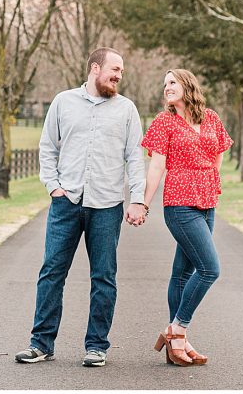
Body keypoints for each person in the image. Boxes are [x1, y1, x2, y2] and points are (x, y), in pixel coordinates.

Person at [15, 47, 147, 368]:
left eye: (121, 72)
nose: (118, 75)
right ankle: (41, 344)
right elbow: (47, 147)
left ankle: (96, 346)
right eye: (114, 69)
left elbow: (134, 158)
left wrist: (138, 199)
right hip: (66, 203)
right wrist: (53, 186)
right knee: (52, 273)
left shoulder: (126, 109)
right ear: (94, 68)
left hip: (107, 206)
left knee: (103, 277)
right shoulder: (63, 102)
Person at [139, 69, 232, 367]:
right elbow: (156, 167)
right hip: (180, 204)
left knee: (182, 272)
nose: (166, 87)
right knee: (209, 269)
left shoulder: (211, 117)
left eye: (172, 82)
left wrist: (205, 175)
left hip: (207, 201)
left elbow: (218, 154)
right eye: (164, 83)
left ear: (187, 85)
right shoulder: (164, 122)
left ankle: (175, 345)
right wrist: (143, 203)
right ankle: (176, 329)